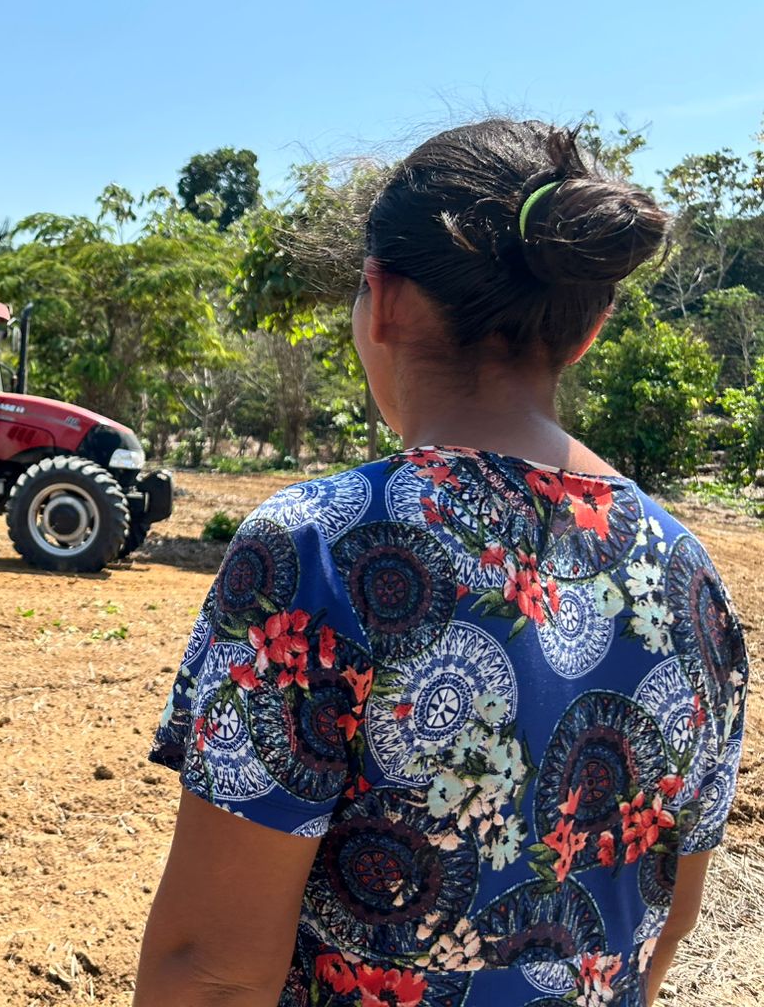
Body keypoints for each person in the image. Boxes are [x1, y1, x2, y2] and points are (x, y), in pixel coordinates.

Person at [135, 118, 749, 1007]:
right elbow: (665, 927)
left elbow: (214, 972)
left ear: (381, 301)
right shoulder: (693, 579)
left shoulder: (324, 547)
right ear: (587, 330)